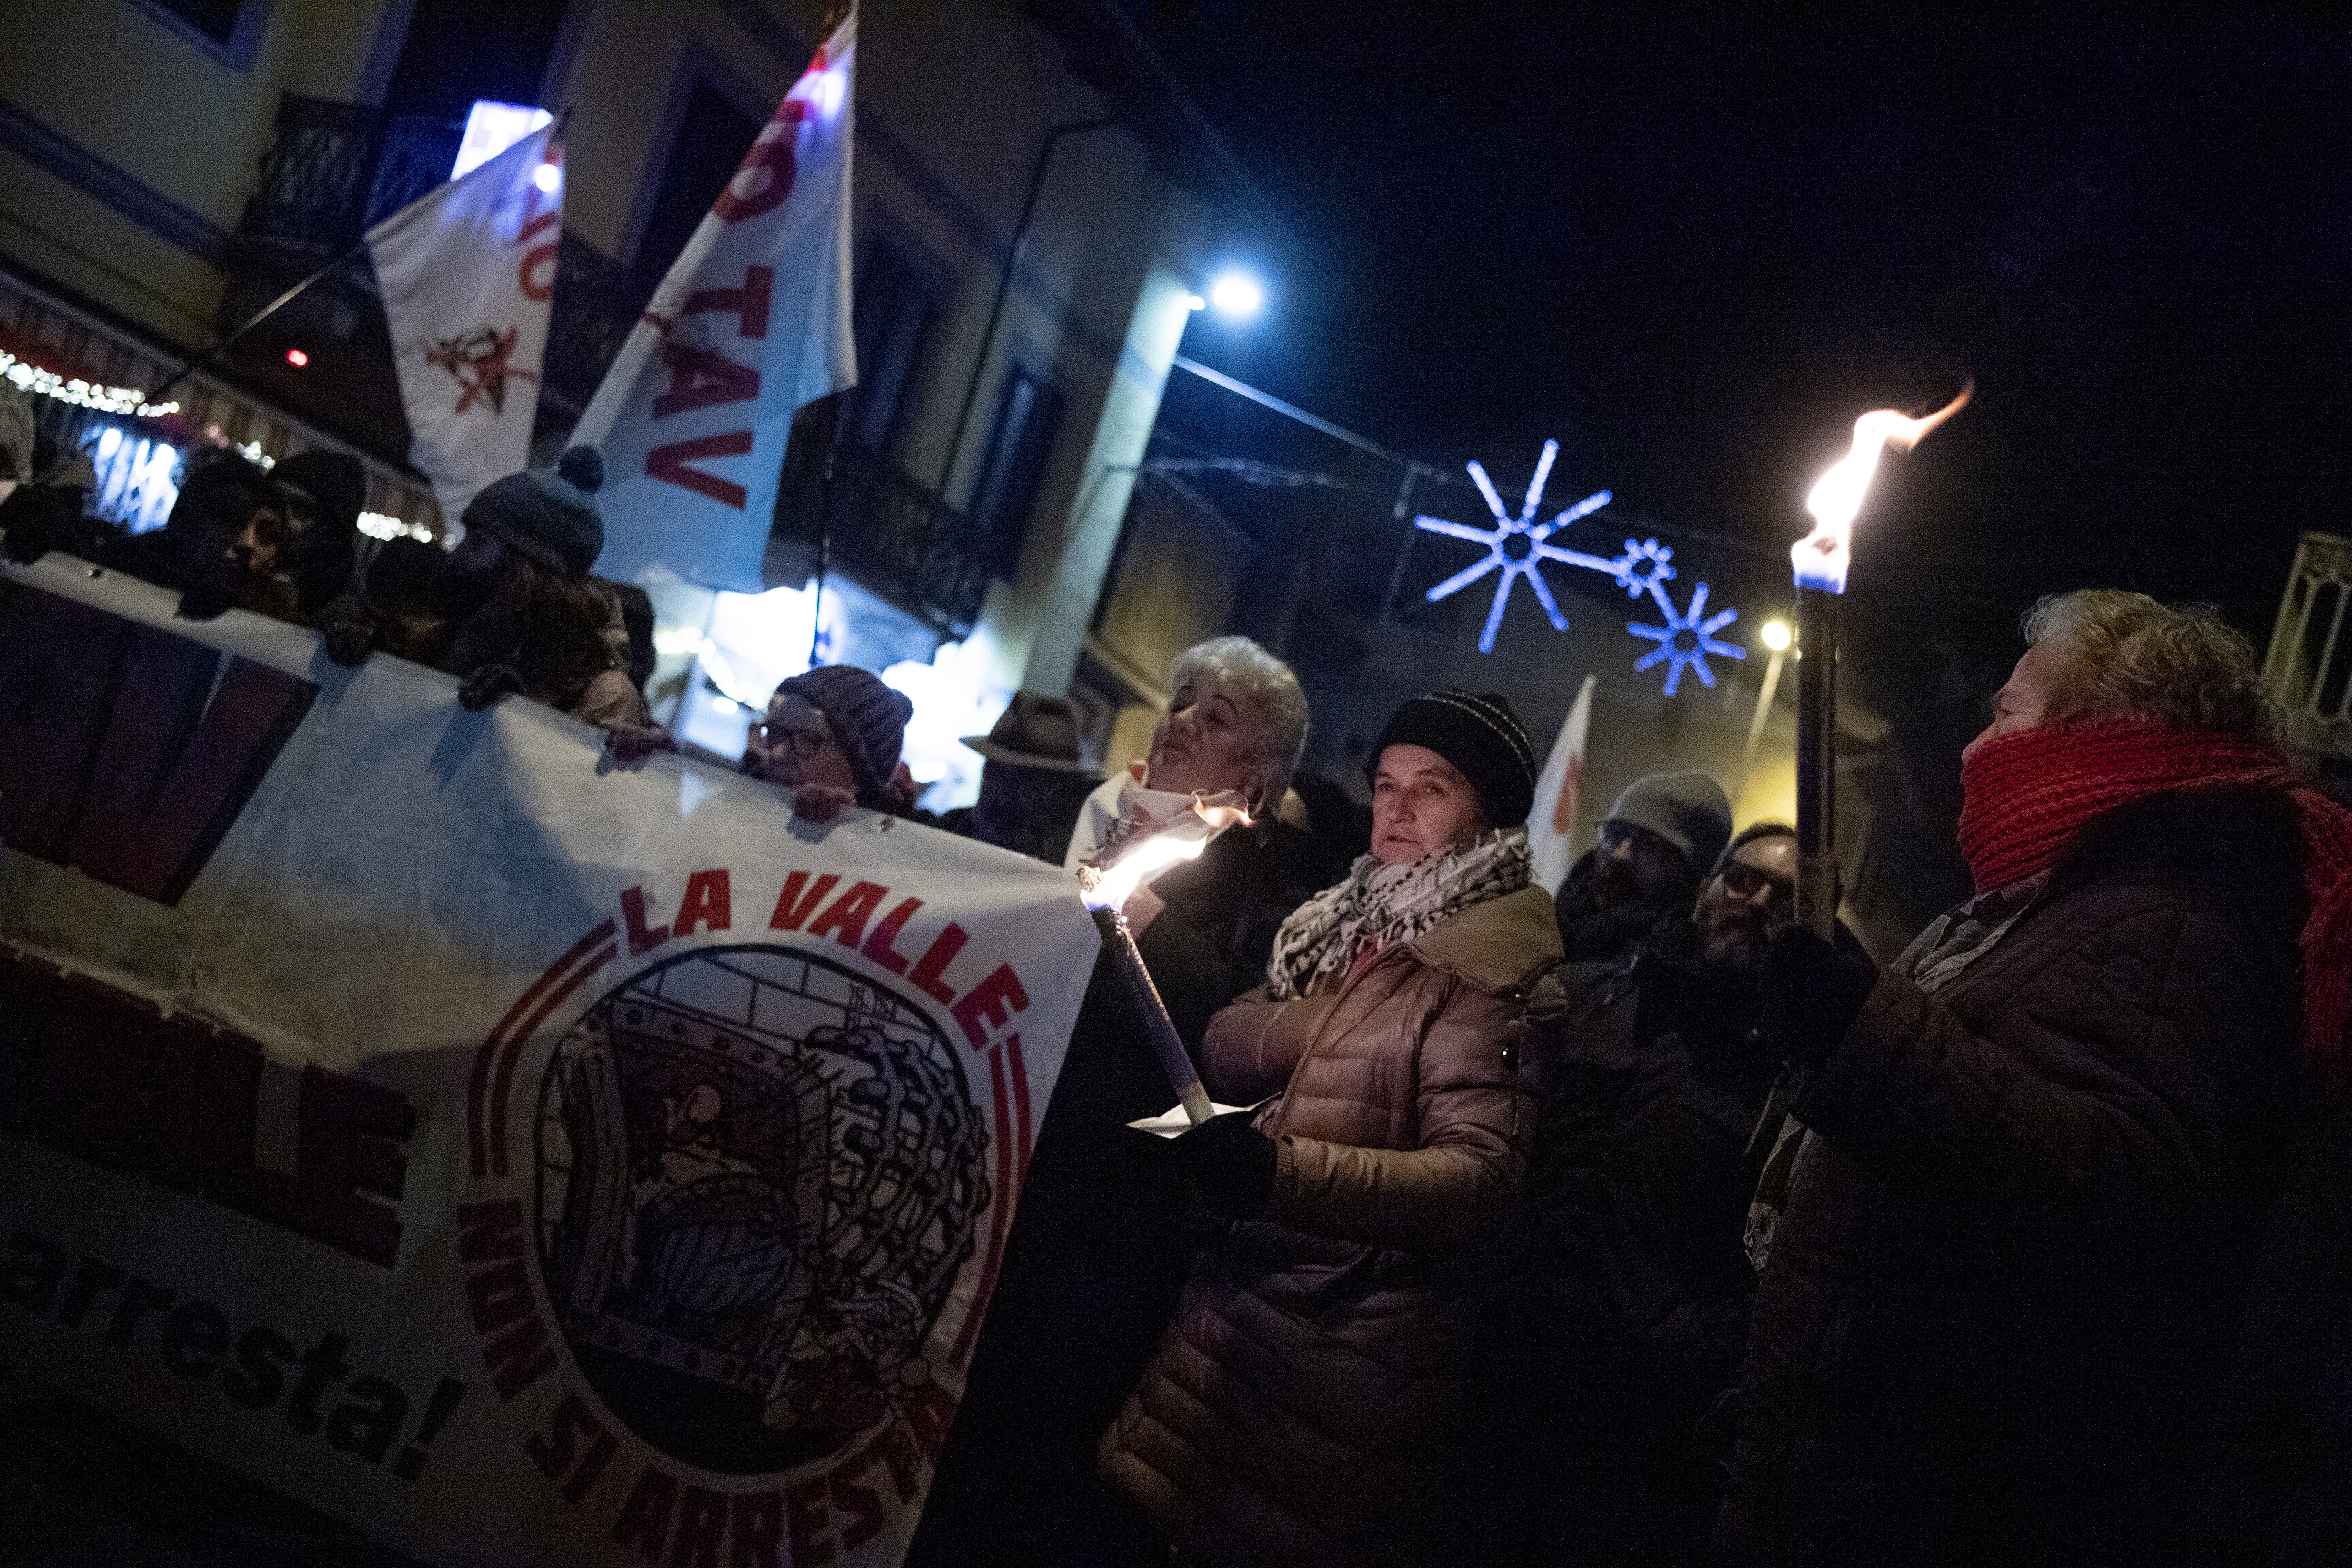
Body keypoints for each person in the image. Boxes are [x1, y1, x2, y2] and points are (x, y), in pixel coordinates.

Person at [1716, 591, 2352, 1567]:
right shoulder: (2057, 906)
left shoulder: (2173, 921)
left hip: (1939, 1501)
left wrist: (1862, 1030)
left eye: (2007, 715)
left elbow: (2114, 1181)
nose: (1976, 748)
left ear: (2106, 732)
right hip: (1858, 1462)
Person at [1099, 689, 1561, 1563]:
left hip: (1344, 1356)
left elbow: (1478, 1176)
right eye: (1387, 785)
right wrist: (1319, 1027)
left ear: (1487, 811)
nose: (1397, 808)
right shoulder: (1338, 923)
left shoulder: (1492, 966)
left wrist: (1280, 1172)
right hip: (1233, 1313)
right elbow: (1228, 1037)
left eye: (1433, 788)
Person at [908, 637, 1321, 1568]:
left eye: (1215, 718)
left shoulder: (1274, 894)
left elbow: (1230, 1031)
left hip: (1095, 1246)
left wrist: (1141, 924)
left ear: (1254, 773)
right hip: (992, 1207)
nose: (1181, 719)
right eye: (1181, 697)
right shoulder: (1089, 830)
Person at [1469, 822, 1797, 1565]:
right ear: (1707, 886)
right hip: (1492, 1366)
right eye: (1742, 878)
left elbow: (1784, 1263)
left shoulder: (1790, 1077)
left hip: (1624, 1435)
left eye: (1787, 896)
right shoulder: (1591, 990)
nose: (1755, 901)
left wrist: (1681, 1338)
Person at [1555, 770, 1732, 962]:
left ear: (1688, 873)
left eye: (1649, 844)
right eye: (1616, 833)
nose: (1619, 854)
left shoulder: (1669, 968)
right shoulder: (1559, 913)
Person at [937, 689, 1098, 861]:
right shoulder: (951, 827)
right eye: (995, 768)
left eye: (1028, 779)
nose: (1003, 792)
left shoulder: (1069, 860)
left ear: (1060, 787)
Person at [744, 664, 917, 822]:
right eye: (775, 732)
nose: (777, 753)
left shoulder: (882, 852)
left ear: (859, 777)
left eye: (807, 740)